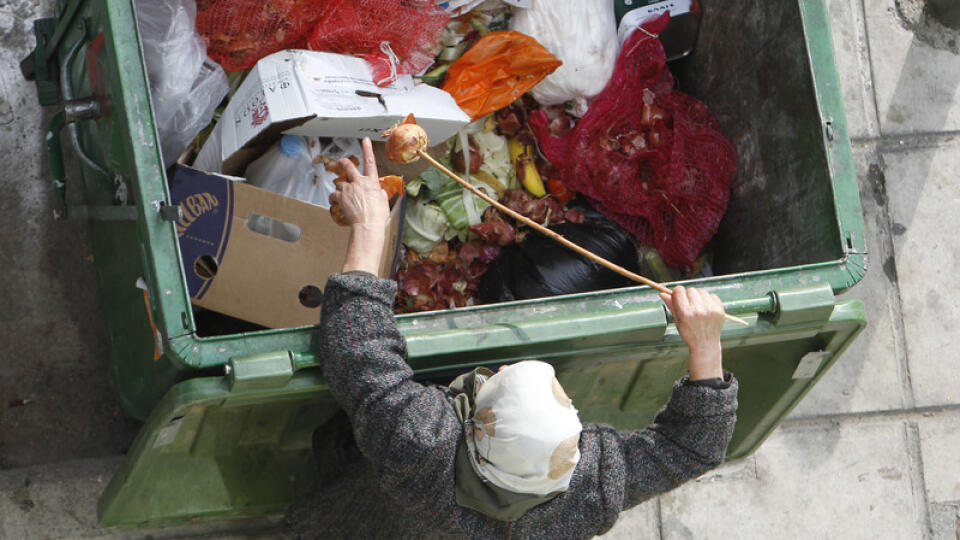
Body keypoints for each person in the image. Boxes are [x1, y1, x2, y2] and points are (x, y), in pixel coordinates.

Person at [286, 138, 738, 539]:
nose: (501, 368)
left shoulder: (421, 447)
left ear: (473, 432)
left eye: (495, 382)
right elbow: (692, 448)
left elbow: (357, 347)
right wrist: (706, 345)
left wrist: (368, 227)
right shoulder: (585, 494)